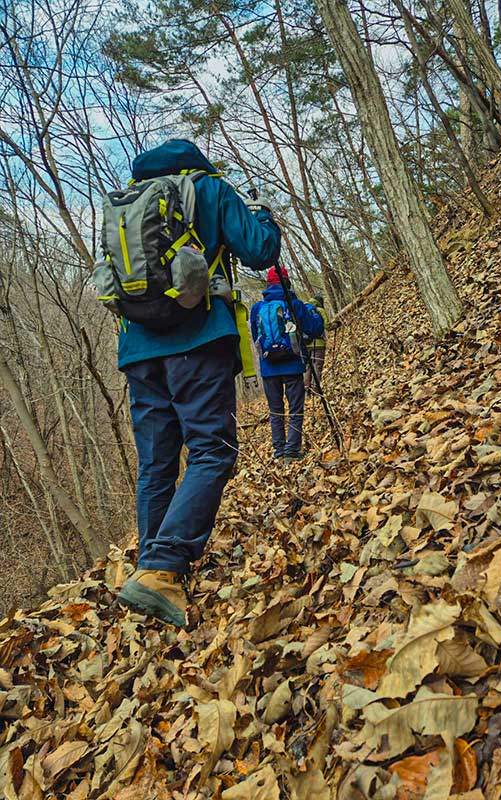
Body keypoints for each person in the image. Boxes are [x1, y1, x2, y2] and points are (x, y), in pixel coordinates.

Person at [115, 139, 280, 627]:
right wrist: (265, 217)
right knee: (212, 451)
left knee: (156, 464)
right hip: (198, 341)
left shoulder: (126, 200)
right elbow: (260, 249)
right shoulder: (208, 188)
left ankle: (151, 570)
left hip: (138, 352)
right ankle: (162, 570)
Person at [250, 266, 324, 462]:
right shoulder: (295, 304)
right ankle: (292, 451)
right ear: (286, 281)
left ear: (268, 284)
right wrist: (312, 312)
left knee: (275, 410)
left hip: (268, 367)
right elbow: (315, 328)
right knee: (295, 408)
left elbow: (255, 336)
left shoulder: (257, 308)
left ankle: (279, 451)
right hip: (292, 364)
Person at [304, 294, 328, 393]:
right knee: (317, 366)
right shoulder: (320, 310)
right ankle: (316, 389)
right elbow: (328, 326)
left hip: (306, 343)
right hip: (318, 343)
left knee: (308, 367)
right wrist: (337, 324)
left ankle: (307, 389)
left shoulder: (304, 309)